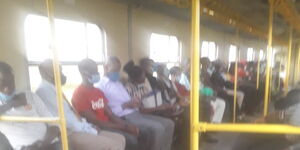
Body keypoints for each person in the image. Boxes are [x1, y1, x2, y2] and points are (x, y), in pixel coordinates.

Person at [35, 59, 125, 150]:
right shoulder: (45, 92)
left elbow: (71, 113)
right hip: (70, 133)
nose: (63, 75)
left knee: (120, 139)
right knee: (114, 145)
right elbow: (64, 119)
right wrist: (86, 128)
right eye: (59, 70)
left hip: (79, 127)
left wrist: (87, 125)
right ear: (49, 73)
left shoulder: (54, 89)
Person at [95, 56, 175, 150]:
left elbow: (127, 100)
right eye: (115, 70)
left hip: (136, 112)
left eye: (118, 70)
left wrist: (135, 100)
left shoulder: (118, 83)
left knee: (169, 124)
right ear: (106, 67)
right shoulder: (100, 86)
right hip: (123, 116)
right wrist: (126, 105)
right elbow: (107, 110)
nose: (117, 73)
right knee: (158, 129)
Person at [72, 58, 140, 150]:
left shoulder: (98, 91)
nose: (97, 73)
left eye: (96, 70)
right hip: (98, 127)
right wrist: (124, 127)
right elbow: (96, 121)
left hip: (109, 124)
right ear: (84, 73)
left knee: (136, 133)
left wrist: (127, 125)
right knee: (130, 139)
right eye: (93, 71)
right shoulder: (79, 94)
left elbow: (110, 114)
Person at [0, 61, 60, 150]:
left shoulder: (30, 96)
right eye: (3, 85)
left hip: (48, 144)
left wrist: (42, 145)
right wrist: (12, 104)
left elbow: (54, 125)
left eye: (11, 83)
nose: (8, 89)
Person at [232, 89, 300, 150]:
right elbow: (283, 114)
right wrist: (265, 119)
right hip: (283, 131)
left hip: (293, 142)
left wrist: (292, 148)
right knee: (247, 135)